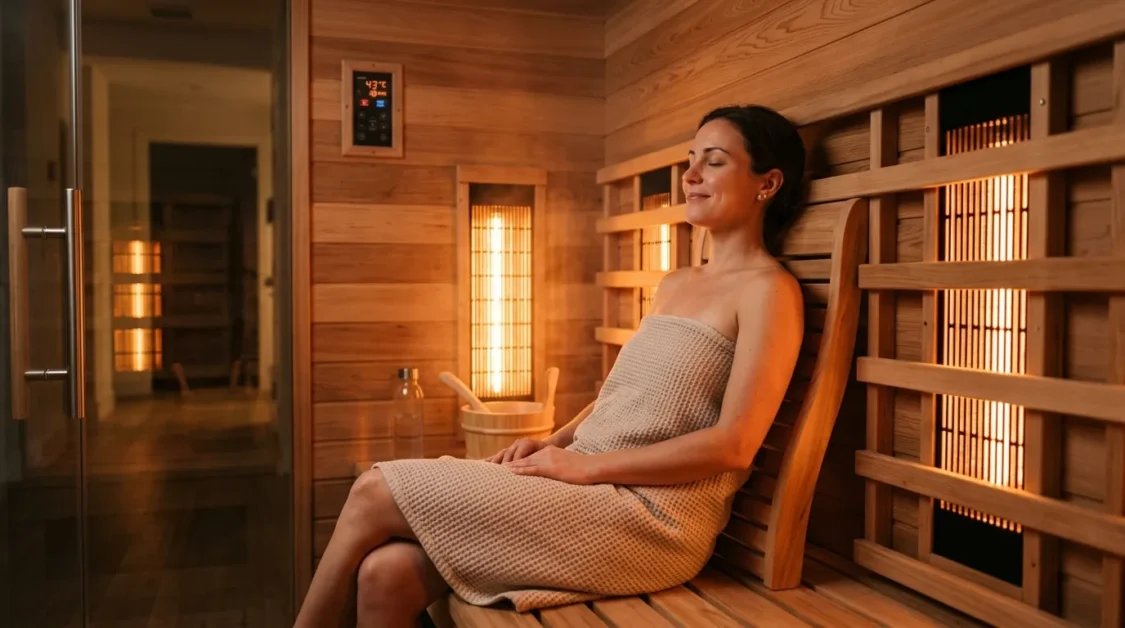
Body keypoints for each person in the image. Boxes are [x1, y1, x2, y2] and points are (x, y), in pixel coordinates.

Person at [294, 104, 808, 628]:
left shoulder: (769, 292)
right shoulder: (674, 283)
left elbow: (734, 444)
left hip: (650, 517)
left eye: (714, 162)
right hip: (585, 485)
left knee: (373, 490)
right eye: (690, 160)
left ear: (767, 183)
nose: (691, 175)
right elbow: (620, 396)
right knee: (385, 574)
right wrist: (555, 443)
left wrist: (587, 468)